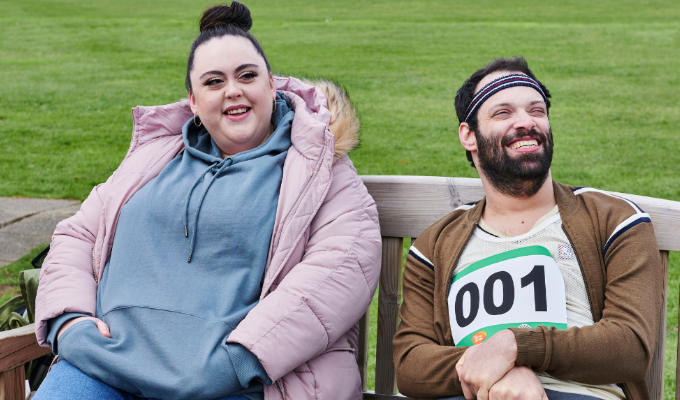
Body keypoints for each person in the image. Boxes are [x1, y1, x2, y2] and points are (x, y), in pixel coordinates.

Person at [33, 2, 381, 399]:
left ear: (271, 84)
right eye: (214, 82)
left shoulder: (317, 165)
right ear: (193, 101)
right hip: (108, 366)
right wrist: (70, 320)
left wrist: (240, 360)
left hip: (234, 381)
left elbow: (343, 264)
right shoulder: (155, 156)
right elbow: (77, 235)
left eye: (247, 76)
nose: (233, 90)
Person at [392, 56, 663, 400]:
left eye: (536, 111)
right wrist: (503, 369)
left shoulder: (613, 220)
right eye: (503, 113)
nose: (526, 123)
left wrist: (516, 346)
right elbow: (411, 364)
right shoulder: (436, 244)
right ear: (469, 136)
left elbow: (630, 345)